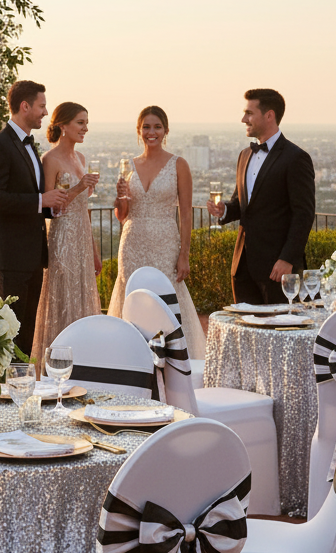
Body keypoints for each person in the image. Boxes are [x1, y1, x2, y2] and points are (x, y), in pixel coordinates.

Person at [106, 106, 206, 357]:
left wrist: (184, 254)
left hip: (165, 243)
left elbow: (185, 214)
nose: (152, 132)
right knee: (132, 298)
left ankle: (176, 360)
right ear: (139, 131)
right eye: (146, 127)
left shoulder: (178, 165)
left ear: (166, 130)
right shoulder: (128, 166)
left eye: (157, 127)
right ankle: (130, 358)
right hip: (133, 242)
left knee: (167, 298)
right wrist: (120, 198)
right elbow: (122, 215)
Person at [0, 80, 69, 356]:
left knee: (27, 331)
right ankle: (7, 390)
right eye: (42, 106)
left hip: (32, 253)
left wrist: (48, 208)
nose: (45, 112)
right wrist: (41, 200)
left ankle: (21, 389)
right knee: (10, 332)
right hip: (10, 255)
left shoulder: (31, 146)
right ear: (25, 106)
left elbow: (31, 196)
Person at [207, 88, 315, 304]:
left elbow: (303, 215)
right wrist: (225, 210)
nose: (243, 119)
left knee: (279, 331)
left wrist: (287, 259)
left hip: (278, 268)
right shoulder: (245, 155)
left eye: (249, 113)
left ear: (269, 115)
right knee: (247, 332)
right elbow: (241, 204)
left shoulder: (296, 158)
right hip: (243, 266)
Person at [31, 102, 102, 366]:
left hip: (82, 239)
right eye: (80, 123)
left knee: (83, 297)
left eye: (86, 122)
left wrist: (94, 252)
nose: (85, 128)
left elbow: (84, 211)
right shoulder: (50, 160)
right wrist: (79, 187)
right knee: (63, 297)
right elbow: (51, 207)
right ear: (63, 125)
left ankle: (84, 360)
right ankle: (58, 364)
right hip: (62, 239)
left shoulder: (80, 159)